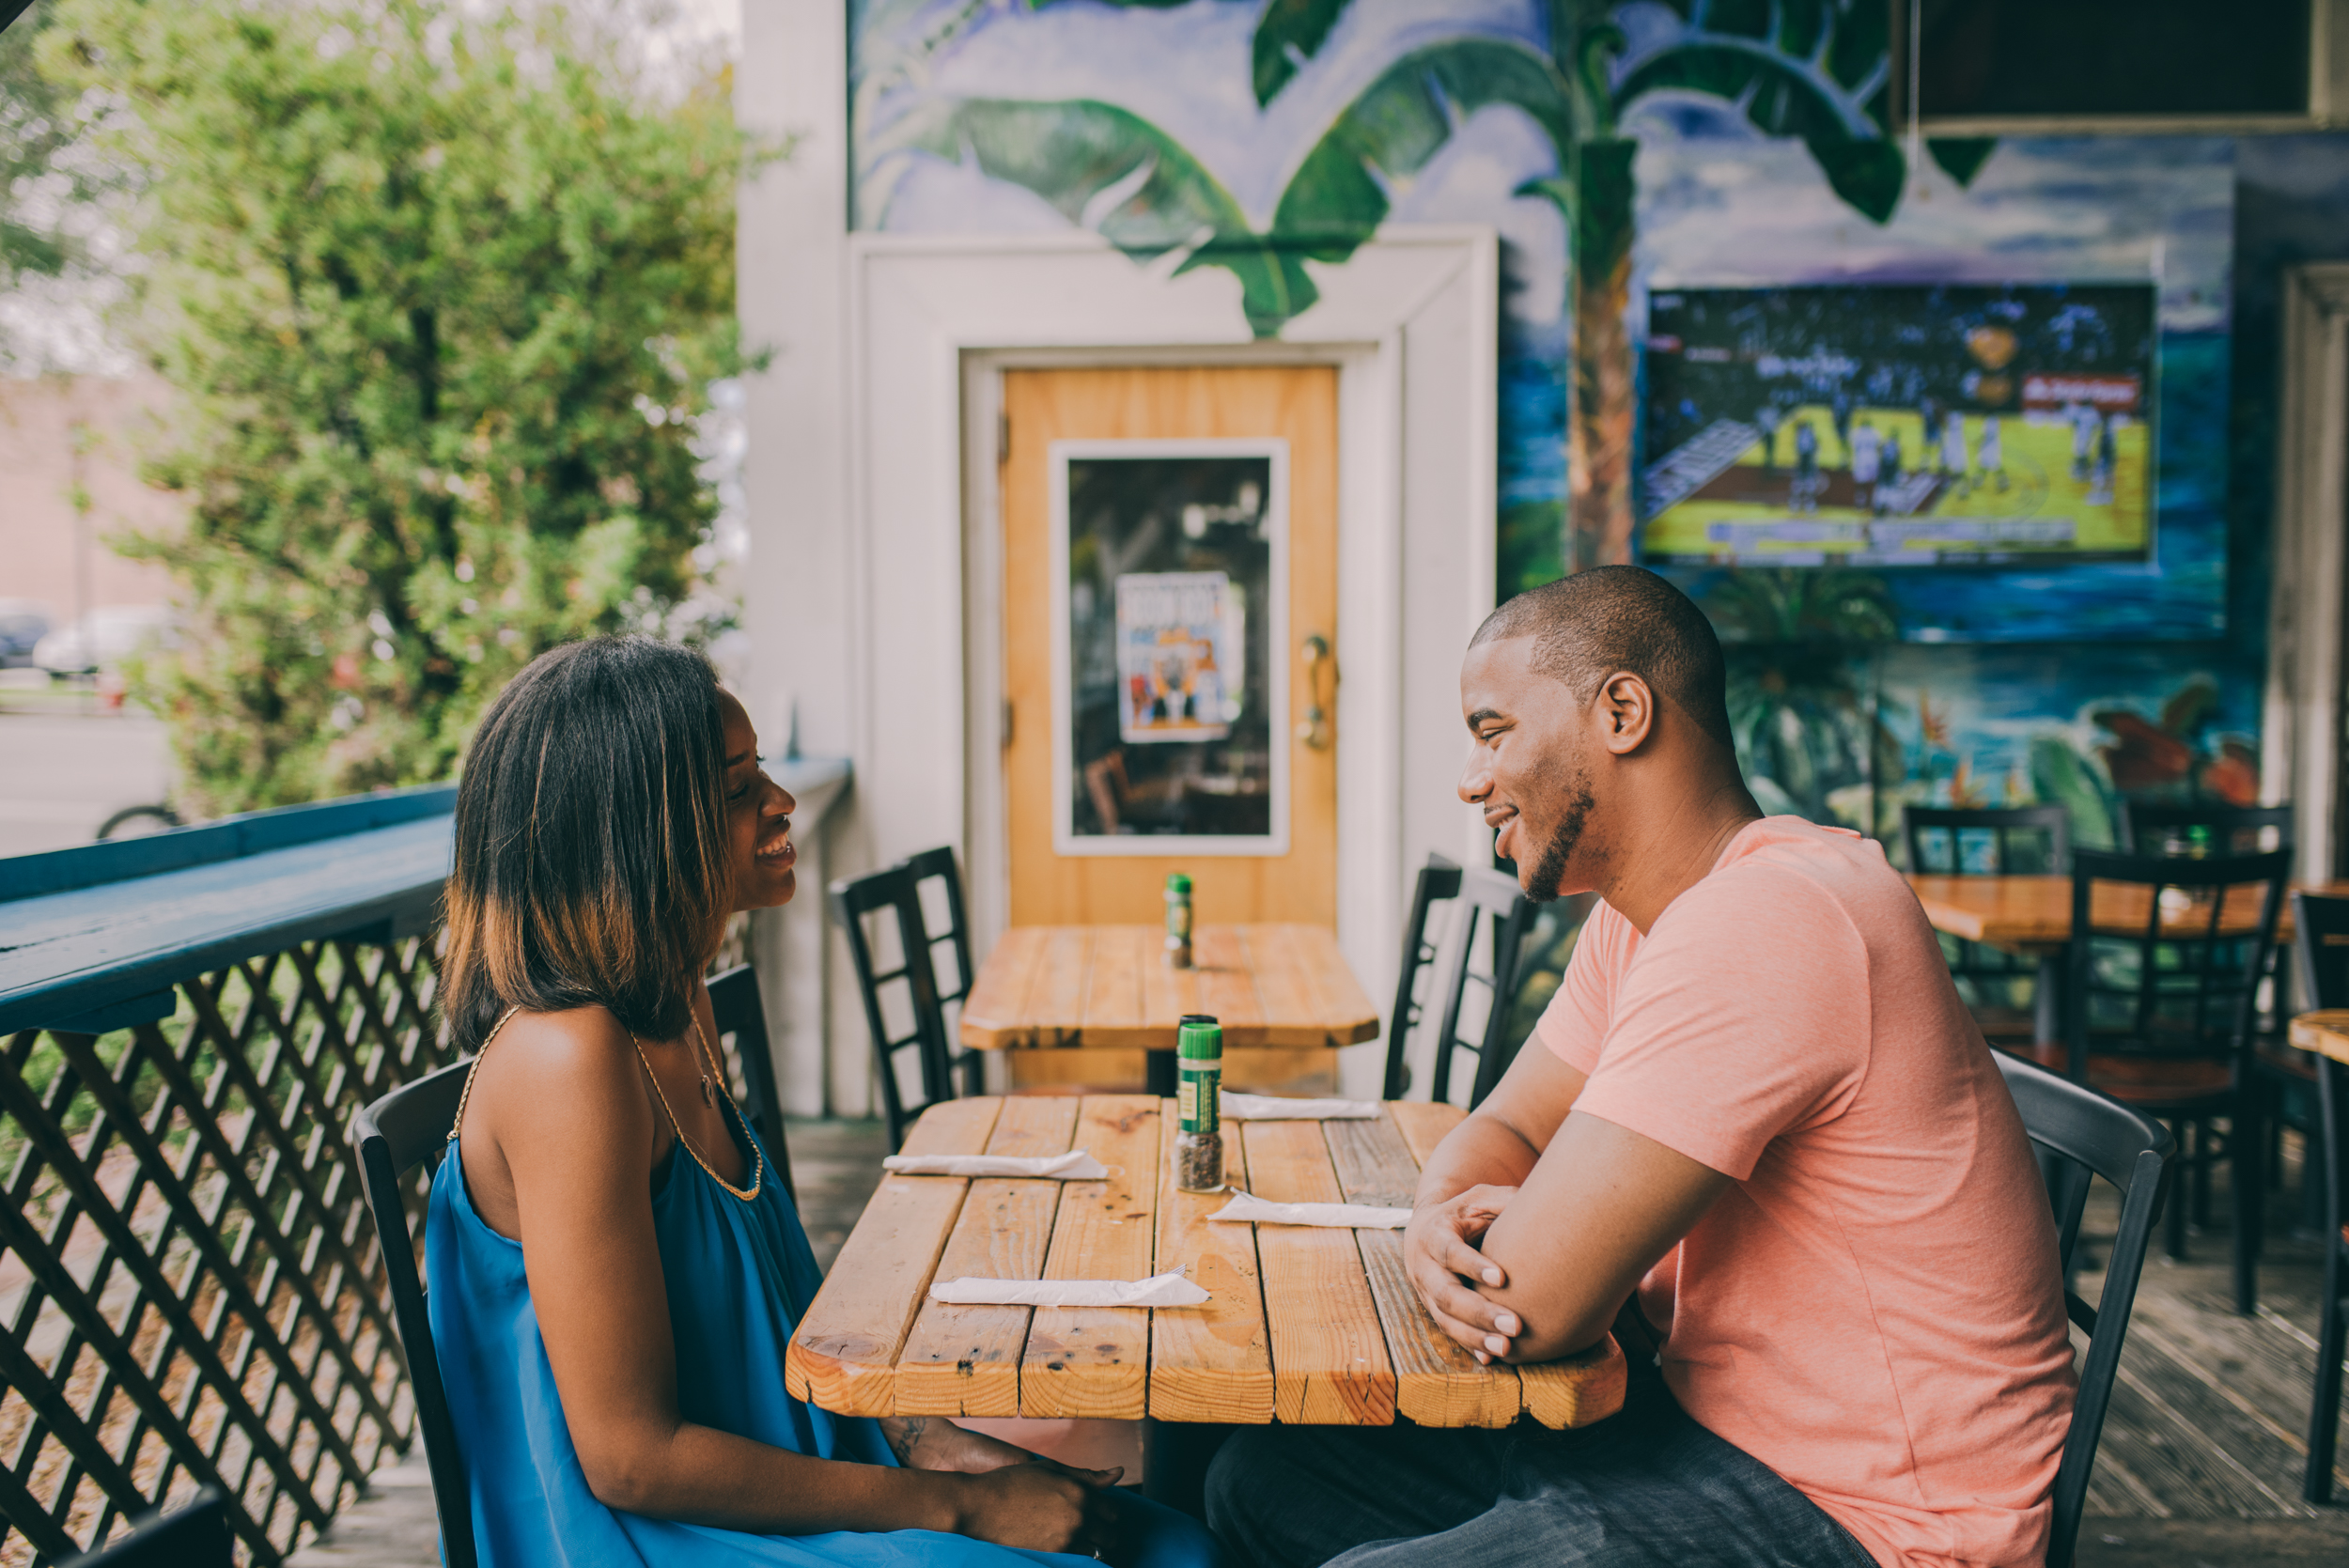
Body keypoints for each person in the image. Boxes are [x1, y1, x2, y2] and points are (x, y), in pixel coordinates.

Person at [1206, 567, 2074, 1568]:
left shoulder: (1772, 915)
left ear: (1620, 710)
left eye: (1492, 732)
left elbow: (1528, 1301)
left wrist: (1467, 1245)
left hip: (1867, 1520)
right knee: (1265, 1480)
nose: (1470, 777)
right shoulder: (1645, 920)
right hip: (1694, 1429)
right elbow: (1506, 1132)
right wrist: (1436, 1217)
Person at [429, 636, 1216, 1568]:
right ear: (631, 835)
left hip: (776, 1471)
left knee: (1168, 1542)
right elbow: (631, 1462)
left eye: (760, 771)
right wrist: (955, 1508)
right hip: (654, 1535)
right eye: (733, 791)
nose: (780, 802)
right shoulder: (569, 1056)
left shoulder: (679, 1005)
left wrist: (939, 1446)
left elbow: (766, 1324)